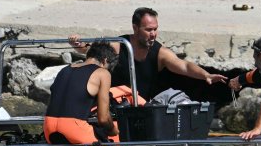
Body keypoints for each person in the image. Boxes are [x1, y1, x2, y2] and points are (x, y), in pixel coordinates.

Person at [71, 7, 230, 103]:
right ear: (135, 28)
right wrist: (80, 45)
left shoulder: (160, 54)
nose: (153, 34)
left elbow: (184, 66)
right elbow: (91, 51)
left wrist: (206, 75)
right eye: (148, 30)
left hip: (143, 109)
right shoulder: (119, 45)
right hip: (115, 105)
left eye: (155, 29)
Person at [43, 43, 121, 146]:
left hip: (49, 126)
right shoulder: (102, 73)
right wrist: (113, 131)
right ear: (104, 61)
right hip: (73, 126)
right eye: (109, 67)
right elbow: (103, 118)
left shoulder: (65, 70)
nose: (108, 71)